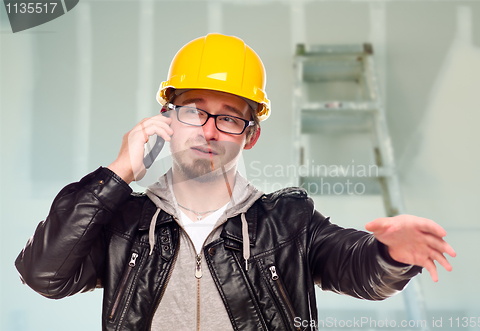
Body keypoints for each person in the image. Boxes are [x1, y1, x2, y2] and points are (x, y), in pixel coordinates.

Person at [15, 33, 456, 331]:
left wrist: (391, 254)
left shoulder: (287, 222)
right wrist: (116, 174)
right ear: (167, 117)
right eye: (193, 110)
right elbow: (44, 275)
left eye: (227, 118)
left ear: (251, 135)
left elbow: (358, 268)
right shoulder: (124, 221)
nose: (208, 130)